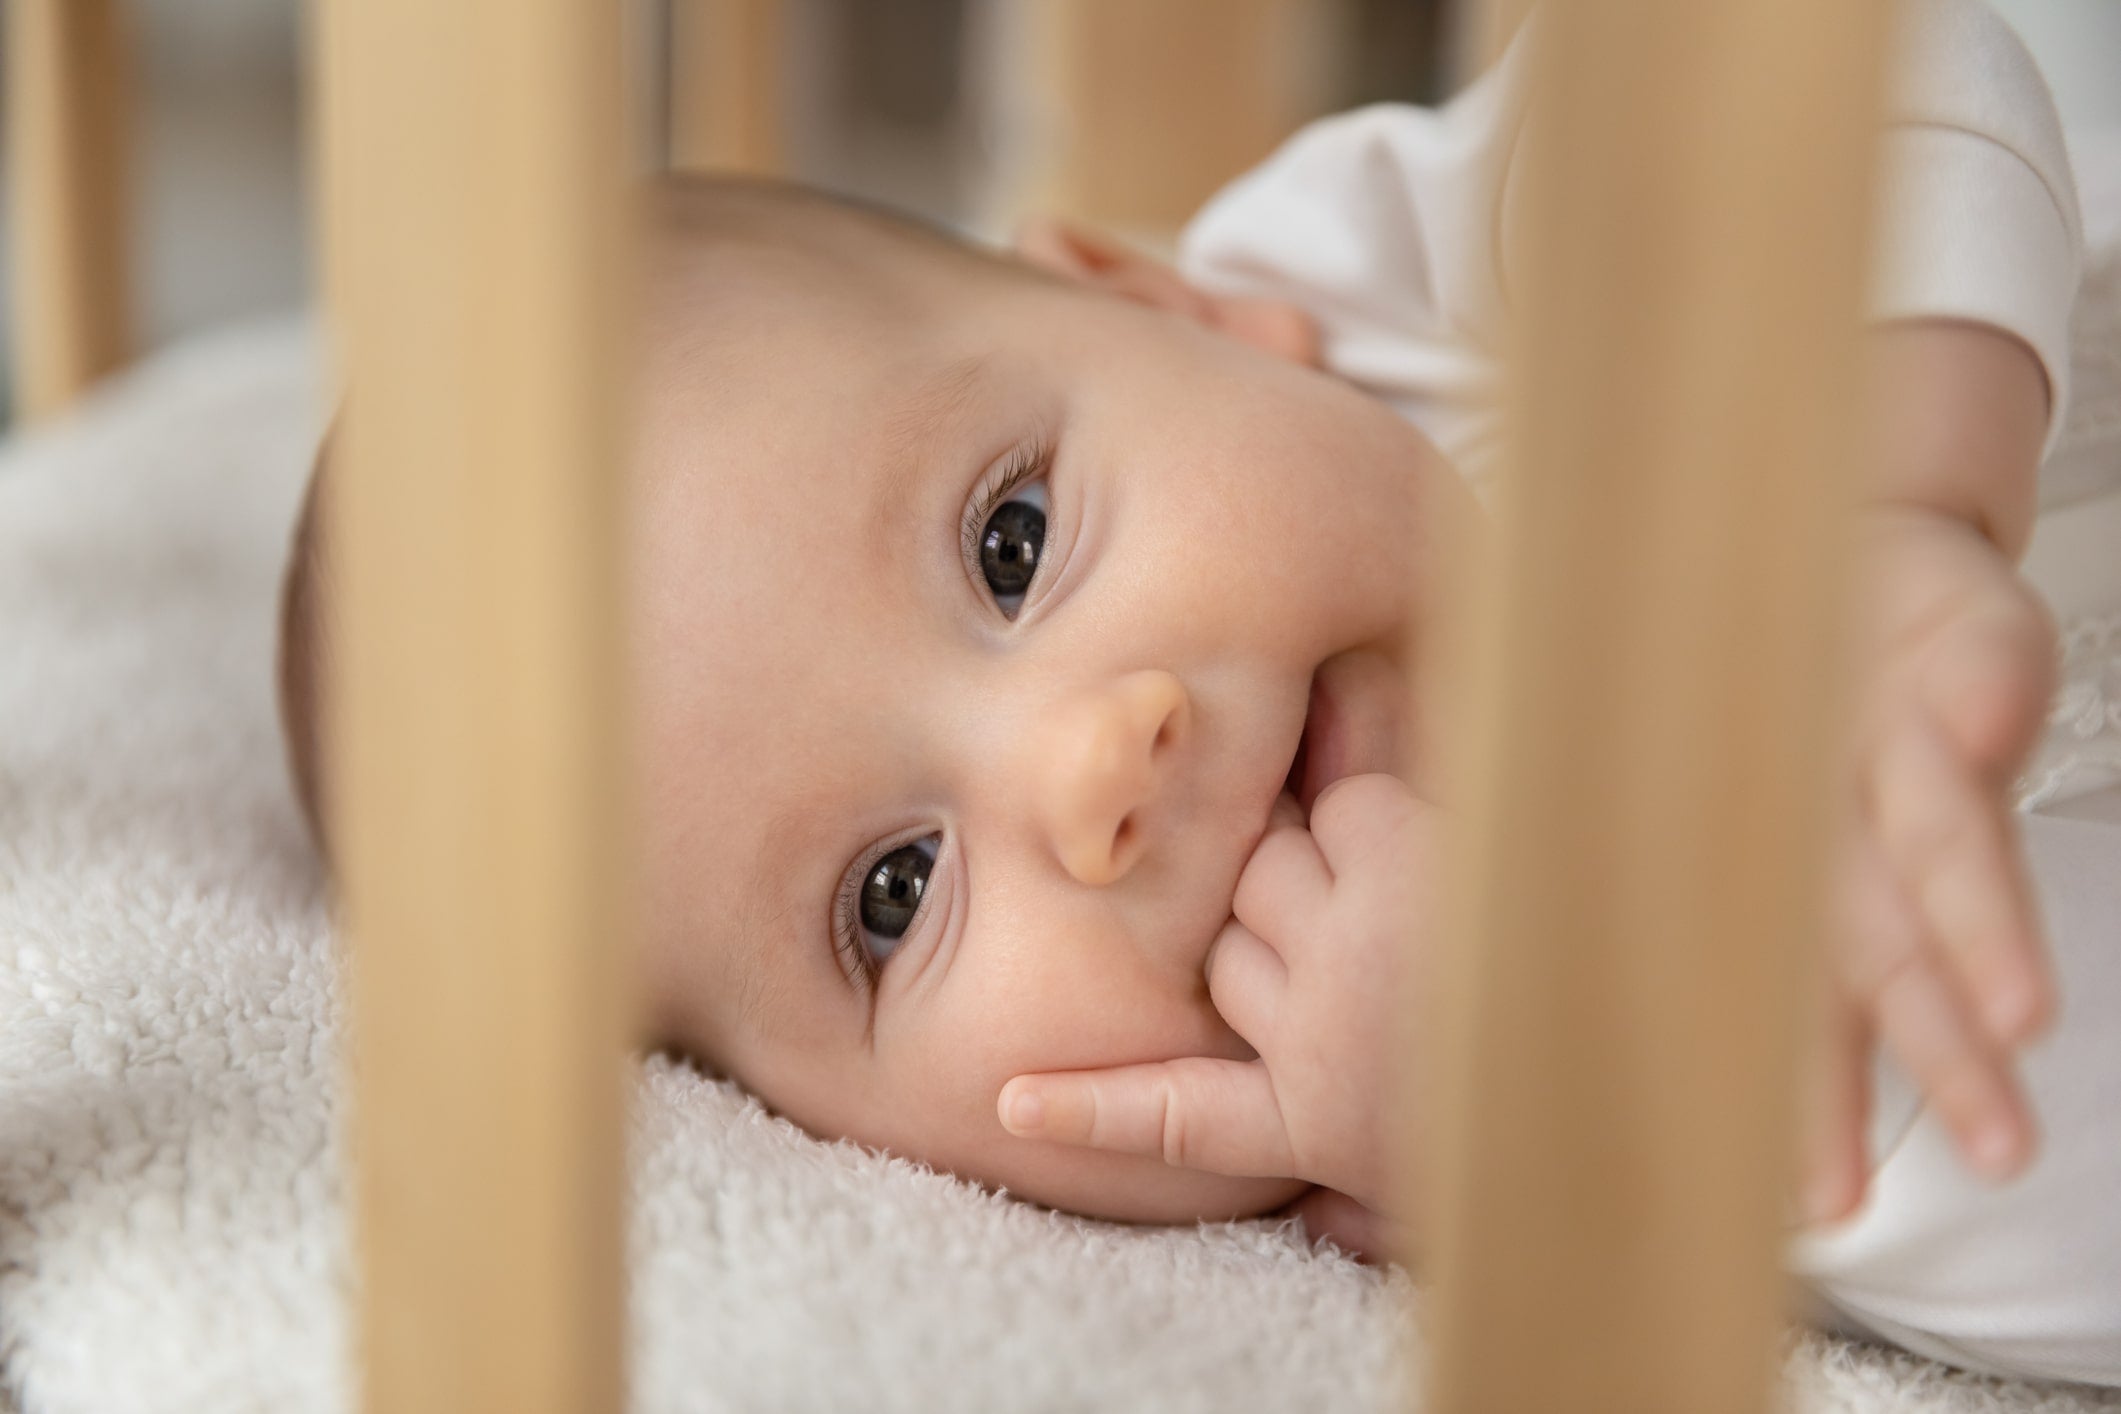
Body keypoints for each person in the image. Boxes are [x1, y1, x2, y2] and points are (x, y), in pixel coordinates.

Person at [276, 0, 2117, 1384]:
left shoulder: (1413, 297)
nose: (1089, 775)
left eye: (1011, 542)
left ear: (1163, 305)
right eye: (891, 896)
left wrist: (1879, 491)